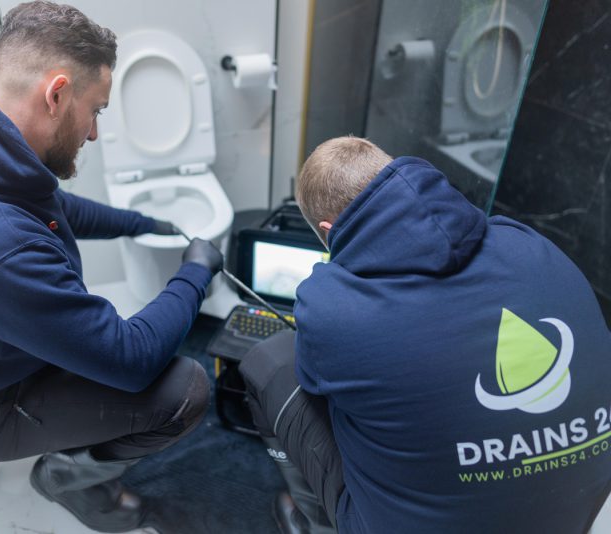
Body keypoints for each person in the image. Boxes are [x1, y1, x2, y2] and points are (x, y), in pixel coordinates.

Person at [0, 2, 223, 531]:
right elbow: (131, 357)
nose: (95, 133)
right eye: (96, 110)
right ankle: (68, 480)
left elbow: (61, 206)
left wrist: (143, 222)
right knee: (185, 389)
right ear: (55, 95)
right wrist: (196, 271)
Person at [240, 136, 611, 533]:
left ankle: (316, 523)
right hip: (584, 508)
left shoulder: (329, 303)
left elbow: (316, 386)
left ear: (328, 231)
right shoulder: (533, 244)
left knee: (270, 362)